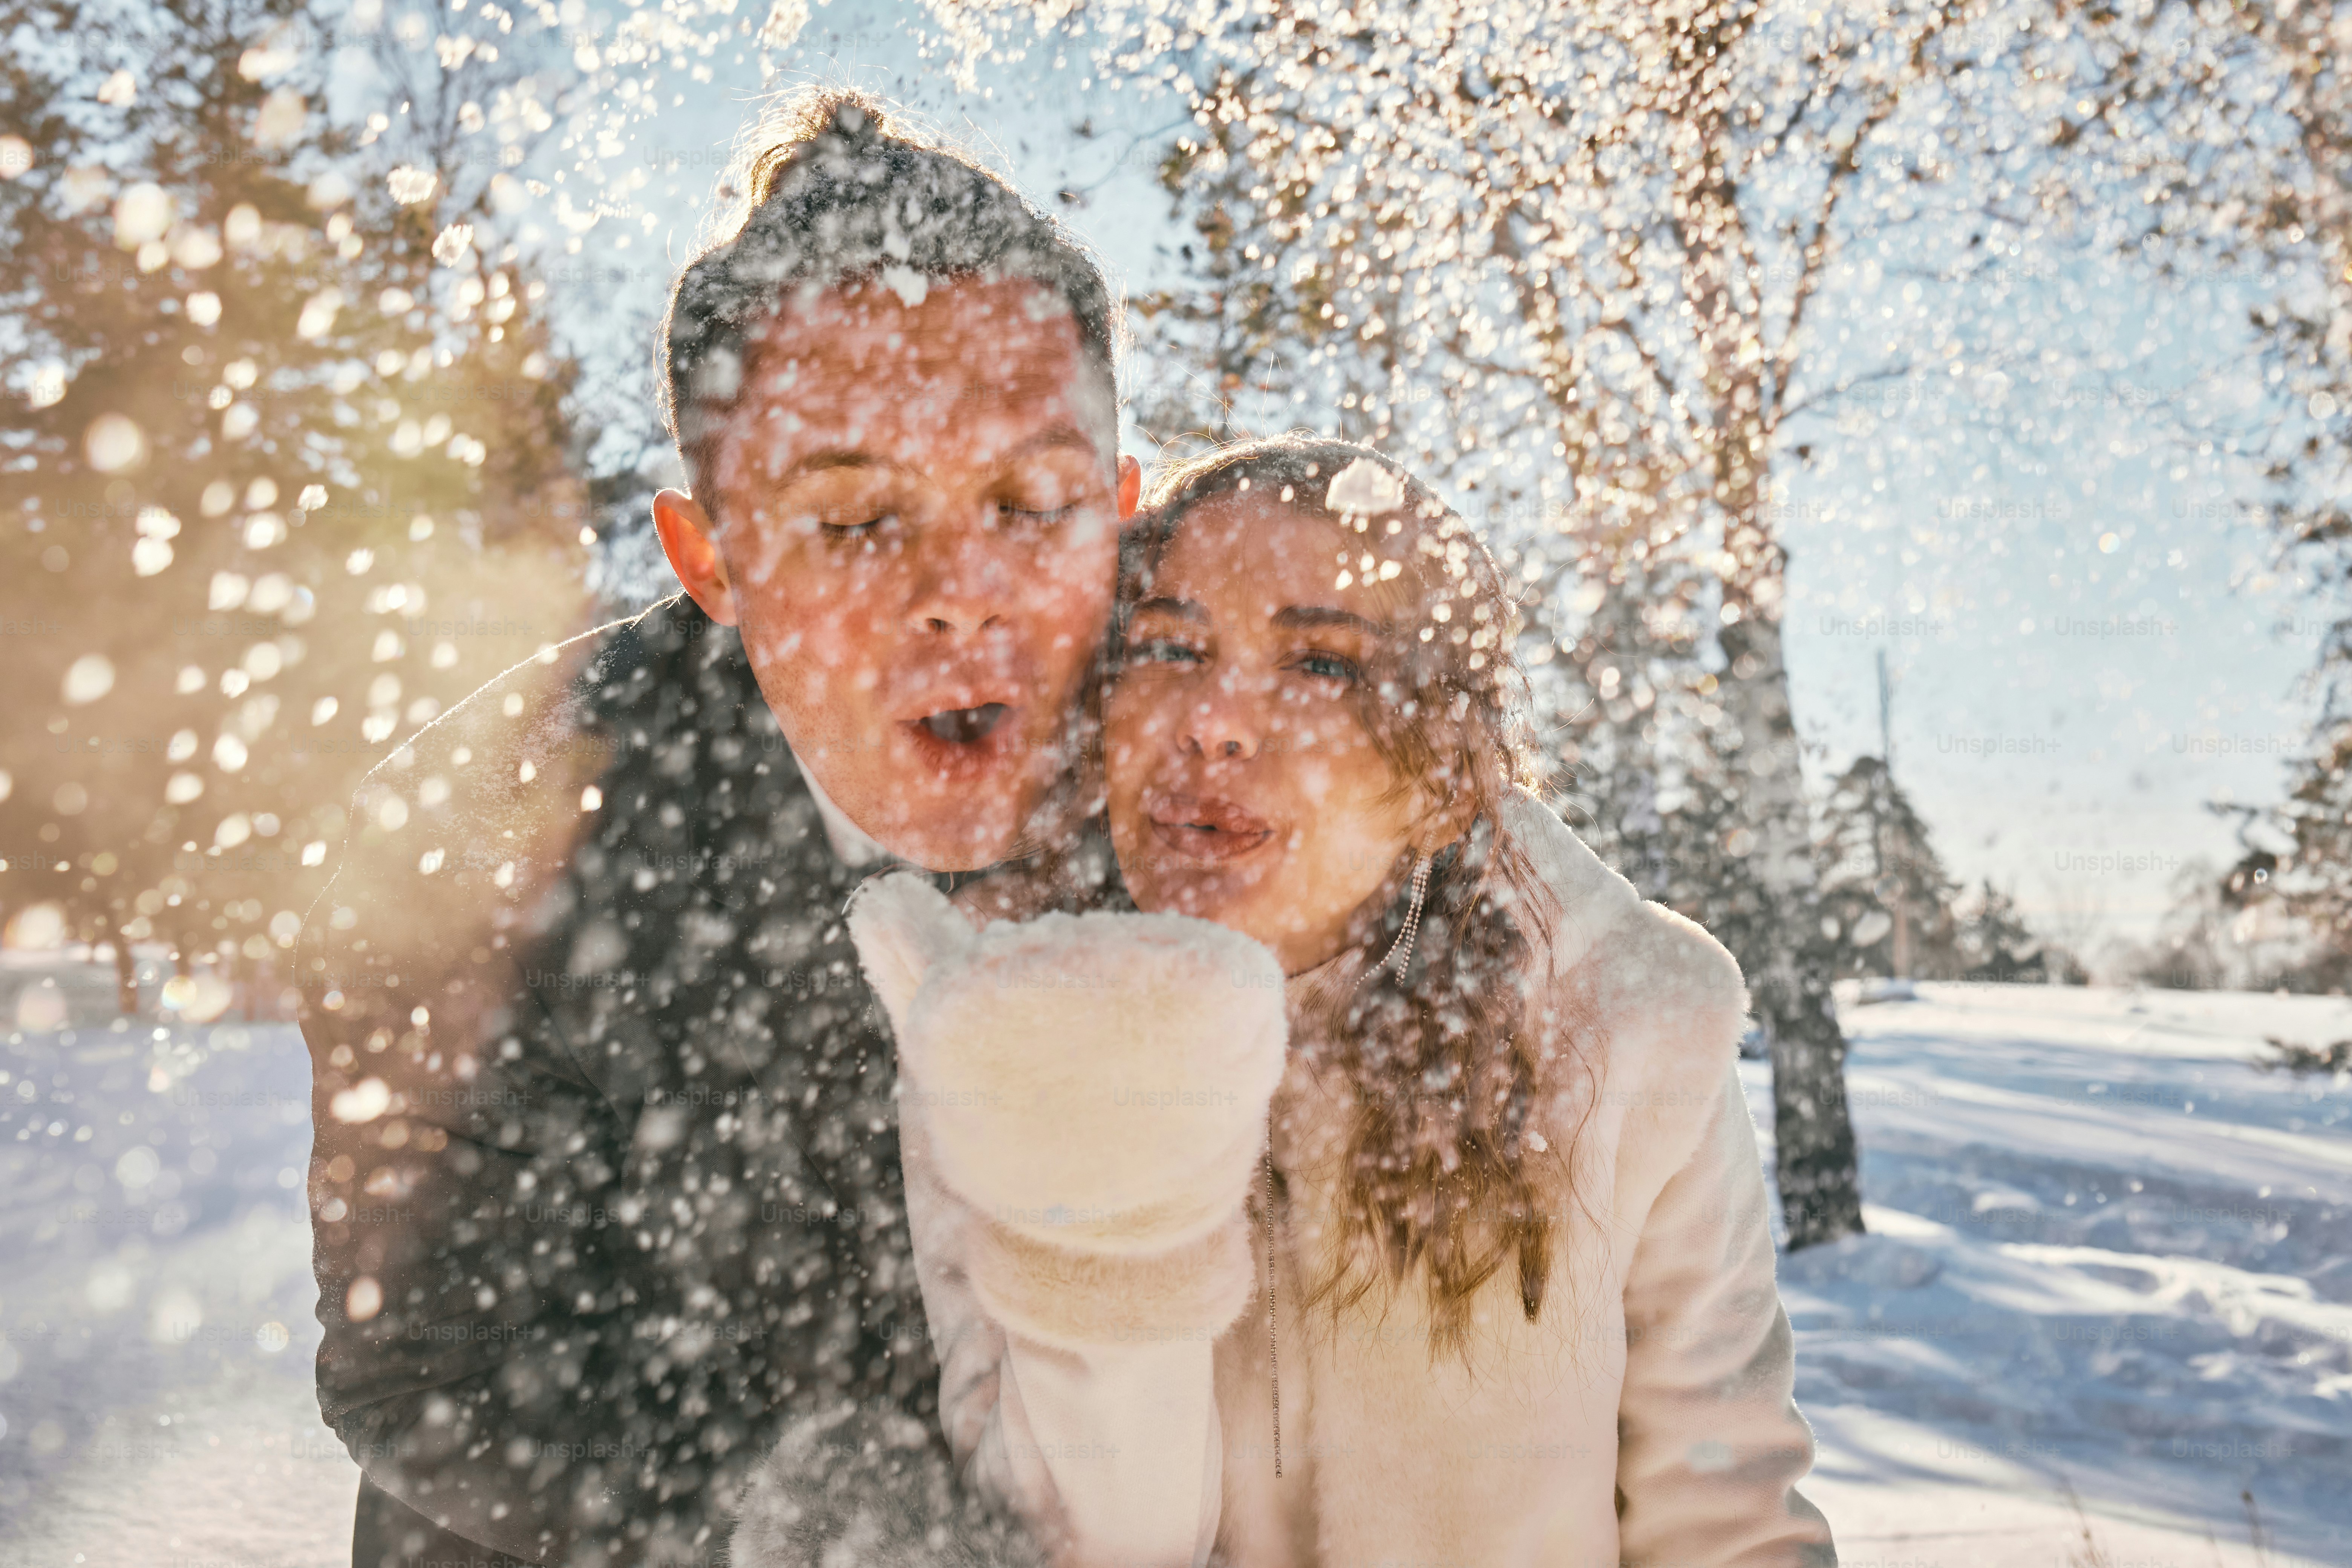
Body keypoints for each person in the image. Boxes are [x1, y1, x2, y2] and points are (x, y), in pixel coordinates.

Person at [298, 89, 1137, 1568]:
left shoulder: (1213, 752)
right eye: (855, 518)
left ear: (1121, 510)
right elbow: (426, 1367)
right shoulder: (479, 842)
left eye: (1036, 497)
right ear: (713, 554)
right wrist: (781, 1519)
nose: (964, 586)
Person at [824, 437, 1838, 1566]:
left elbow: (1731, 1523)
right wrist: (1111, 1224)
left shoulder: (1627, 1028)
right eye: (1167, 645)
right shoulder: (1003, 1022)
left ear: (1447, 775)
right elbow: (1079, 1543)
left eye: (1320, 666)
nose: (1214, 719)